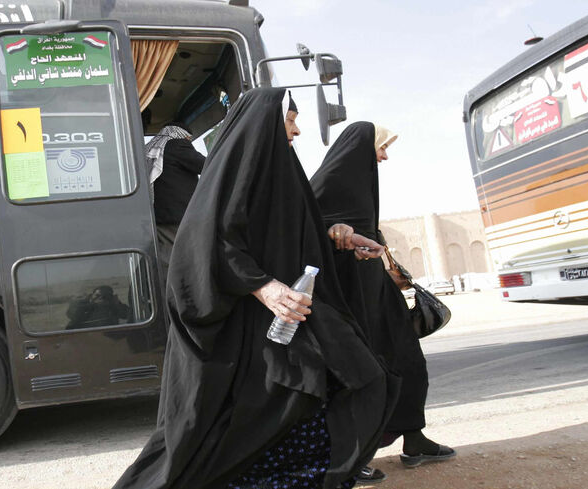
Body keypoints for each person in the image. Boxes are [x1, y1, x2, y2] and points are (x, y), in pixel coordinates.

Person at [112, 89, 398, 489]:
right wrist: (263, 287)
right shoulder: (234, 173)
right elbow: (209, 242)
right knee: (245, 423)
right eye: (291, 120)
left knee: (360, 382)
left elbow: (298, 238)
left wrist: (342, 237)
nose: (297, 129)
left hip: (296, 312)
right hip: (250, 323)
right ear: (264, 123)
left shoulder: (284, 176)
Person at [311, 121, 456, 479]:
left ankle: (415, 439)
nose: (385, 155)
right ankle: (351, 458)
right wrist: (337, 232)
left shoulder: (362, 183)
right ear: (363, 146)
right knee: (360, 375)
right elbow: (311, 228)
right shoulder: (330, 181)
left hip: (378, 294)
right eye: (382, 146)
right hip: (349, 299)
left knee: (408, 361)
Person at [144, 122, 205, 282]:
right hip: (179, 216)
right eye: (188, 138)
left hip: (158, 216)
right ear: (181, 134)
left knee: (167, 259)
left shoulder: (151, 147)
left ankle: (171, 291)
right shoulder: (176, 144)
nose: (189, 141)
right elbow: (207, 165)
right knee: (190, 258)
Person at [65, 286, 130, 330]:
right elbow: (71, 314)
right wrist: (93, 305)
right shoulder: (83, 303)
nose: (100, 298)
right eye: (97, 295)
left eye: (105, 296)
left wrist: (117, 304)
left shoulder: (111, 305)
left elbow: (127, 315)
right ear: (92, 295)